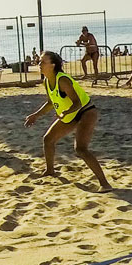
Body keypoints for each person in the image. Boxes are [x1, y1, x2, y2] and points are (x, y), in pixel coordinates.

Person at [25, 50, 110, 191]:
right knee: (48, 140)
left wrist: (65, 112)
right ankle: (50, 171)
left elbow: (77, 103)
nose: (39, 64)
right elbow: (50, 103)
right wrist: (36, 115)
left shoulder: (62, 80)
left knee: (81, 149)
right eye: (39, 61)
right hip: (70, 115)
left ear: (52, 65)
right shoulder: (47, 81)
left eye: (42, 62)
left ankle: (105, 184)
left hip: (86, 112)